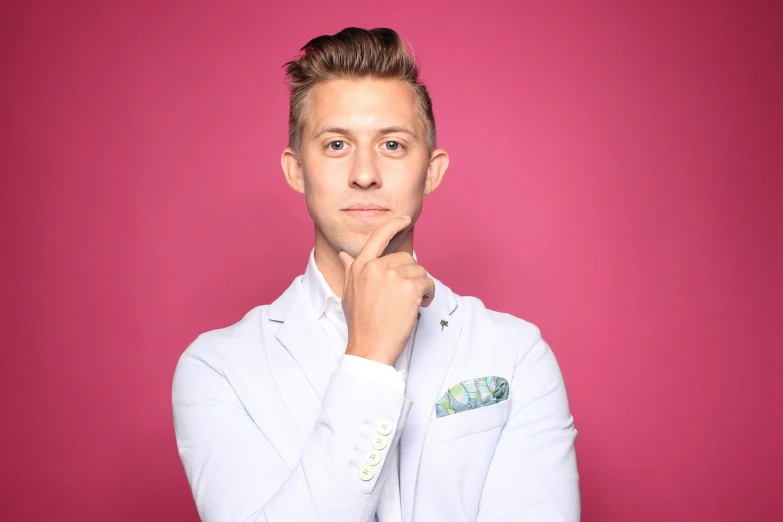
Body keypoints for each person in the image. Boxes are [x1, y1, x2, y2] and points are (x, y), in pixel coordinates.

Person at [172, 26, 580, 522]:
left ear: (431, 170)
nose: (364, 173)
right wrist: (368, 358)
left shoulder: (516, 355)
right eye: (337, 144)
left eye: (391, 144)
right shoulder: (217, 370)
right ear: (296, 169)